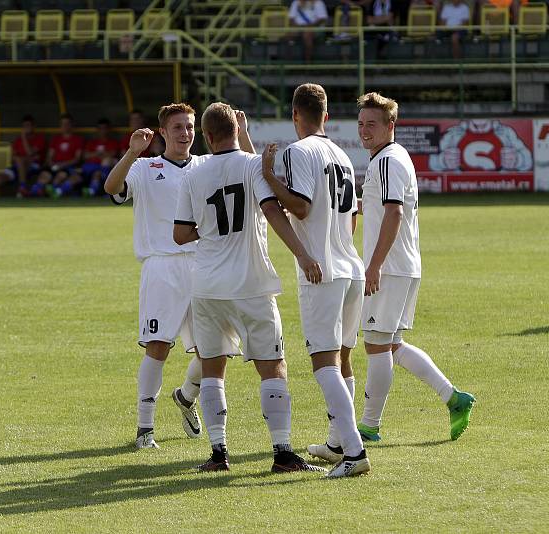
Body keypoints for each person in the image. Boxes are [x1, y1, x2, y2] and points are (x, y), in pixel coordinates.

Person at [172, 102, 325, 474]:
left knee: (212, 370)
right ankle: (282, 452)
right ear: (237, 131)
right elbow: (273, 211)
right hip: (251, 284)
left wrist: (208, 229)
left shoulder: (193, 174)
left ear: (206, 137)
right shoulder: (253, 165)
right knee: (273, 368)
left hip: (207, 285)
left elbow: (179, 234)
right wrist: (304, 255)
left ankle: (218, 453)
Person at [260, 84, 369, 477]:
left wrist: (269, 177)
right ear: (326, 116)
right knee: (344, 359)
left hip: (321, 270)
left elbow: (301, 207)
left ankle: (354, 453)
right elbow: (353, 215)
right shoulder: (342, 153)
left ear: (294, 115)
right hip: (350, 266)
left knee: (324, 362)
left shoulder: (299, 152)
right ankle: (337, 441)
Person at [355, 92, 476, 443]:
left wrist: (374, 265)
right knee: (391, 344)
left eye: (372, 124)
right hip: (403, 264)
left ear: (390, 125)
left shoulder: (388, 160)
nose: (365, 130)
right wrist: (353, 205)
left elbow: (395, 212)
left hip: (390, 267)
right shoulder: (393, 156)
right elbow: (383, 207)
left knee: (376, 345)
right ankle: (454, 398)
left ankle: (369, 425)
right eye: (361, 123)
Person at [104, 103, 211, 448]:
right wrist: (132, 151)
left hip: (204, 263)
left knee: (214, 348)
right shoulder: (145, 167)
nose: (185, 133)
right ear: (163, 132)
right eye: (178, 127)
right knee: (158, 346)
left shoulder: (207, 165)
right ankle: (144, 429)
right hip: (162, 265)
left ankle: (186, 396)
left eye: (190, 127)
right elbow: (111, 188)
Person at [0, 114, 46, 198]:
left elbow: (30, 153)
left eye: (28, 125)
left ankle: (22, 187)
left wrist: (24, 137)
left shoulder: (39, 139)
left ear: (33, 126)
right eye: (25, 126)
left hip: (34, 167)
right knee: (4, 175)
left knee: (20, 160)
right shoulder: (18, 141)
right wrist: (20, 159)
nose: (26, 128)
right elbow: (13, 157)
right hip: (18, 167)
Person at [34, 114, 84, 198]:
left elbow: (77, 159)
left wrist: (63, 165)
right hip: (54, 166)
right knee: (44, 176)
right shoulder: (55, 139)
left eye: (67, 124)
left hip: (68, 168)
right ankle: (34, 192)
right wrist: (51, 164)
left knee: (61, 176)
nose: (65, 126)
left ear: (72, 125)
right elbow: (49, 157)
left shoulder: (78, 139)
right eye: (63, 124)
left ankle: (54, 192)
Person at [81, 118, 119, 196]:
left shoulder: (113, 142)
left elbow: (113, 154)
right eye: (100, 128)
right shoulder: (92, 142)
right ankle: (98, 191)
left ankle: (92, 191)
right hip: (92, 167)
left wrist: (97, 154)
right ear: (97, 130)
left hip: (107, 169)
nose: (102, 131)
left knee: (103, 167)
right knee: (96, 171)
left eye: (105, 128)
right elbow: (85, 156)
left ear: (109, 129)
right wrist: (99, 153)